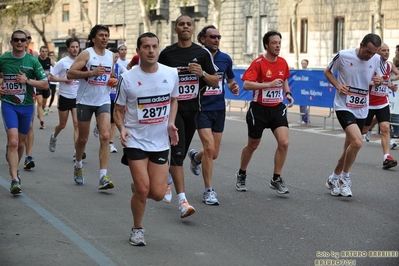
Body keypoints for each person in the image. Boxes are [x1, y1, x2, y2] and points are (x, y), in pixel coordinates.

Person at [114, 32, 179, 246]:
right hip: (135, 139)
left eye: (154, 46)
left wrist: (170, 123)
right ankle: (137, 229)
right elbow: (119, 109)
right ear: (138, 51)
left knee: (158, 194)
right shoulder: (128, 77)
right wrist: (122, 128)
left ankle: (139, 188)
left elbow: (173, 99)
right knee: (143, 190)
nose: (151, 51)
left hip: (160, 140)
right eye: (146, 47)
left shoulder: (170, 73)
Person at [158, 14, 218, 217]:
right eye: (181, 24)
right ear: (175, 29)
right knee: (176, 152)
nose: (185, 27)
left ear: (193, 29)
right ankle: (182, 201)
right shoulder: (167, 54)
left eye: (188, 24)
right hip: (173, 112)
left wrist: (201, 73)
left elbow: (215, 81)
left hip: (194, 110)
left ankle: (167, 180)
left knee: (181, 153)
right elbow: (156, 78)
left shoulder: (202, 54)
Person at [235, 30, 294, 194]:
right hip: (258, 110)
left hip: (277, 108)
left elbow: (284, 80)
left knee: (284, 142)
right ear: (267, 45)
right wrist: (268, 84)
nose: (277, 46)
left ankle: (276, 178)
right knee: (253, 145)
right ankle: (241, 173)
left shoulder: (282, 62)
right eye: (274, 43)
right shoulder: (258, 63)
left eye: (279, 43)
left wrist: (287, 93)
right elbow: (246, 85)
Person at [324, 33, 382, 197]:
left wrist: (378, 80)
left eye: (373, 53)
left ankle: (333, 178)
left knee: (349, 147)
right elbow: (327, 71)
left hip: (362, 107)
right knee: (357, 142)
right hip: (344, 105)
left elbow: (377, 77)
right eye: (368, 52)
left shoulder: (376, 59)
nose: (370, 56)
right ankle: (345, 178)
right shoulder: (343, 55)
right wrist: (337, 85)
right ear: (361, 44)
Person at [188, 25, 239, 205]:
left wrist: (233, 86)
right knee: (209, 148)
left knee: (213, 153)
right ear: (203, 39)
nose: (216, 40)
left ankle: (195, 158)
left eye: (218, 36)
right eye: (212, 37)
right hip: (201, 108)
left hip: (218, 108)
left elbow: (230, 79)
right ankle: (208, 191)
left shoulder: (225, 58)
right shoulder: (195, 57)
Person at [0, 30, 49, 194]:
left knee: (21, 143)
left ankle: (16, 169)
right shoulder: (3, 59)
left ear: (27, 42)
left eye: (23, 40)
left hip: (27, 105)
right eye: (16, 40)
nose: (20, 42)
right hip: (8, 104)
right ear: (12, 42)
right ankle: (14, 179)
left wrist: (27, 80)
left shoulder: (33, 62)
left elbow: (45, 84)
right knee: (13, 142)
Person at [67, 24, 115, 189]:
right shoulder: (87, 54)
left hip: (103, 100)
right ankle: (78, 165)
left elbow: (111, 76)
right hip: (85, 101)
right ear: (93, 38)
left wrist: (112, 81)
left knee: (105, 136)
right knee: (83, 138)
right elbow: (70, 73)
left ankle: (103, 176)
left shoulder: (111, 56)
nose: (104, 38)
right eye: (101, 35)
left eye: (106, 35)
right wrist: (90, 73)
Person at [361, 43, 399, 169]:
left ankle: (386, 157)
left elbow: (387, 79)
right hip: (369, 103)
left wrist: (390, 85)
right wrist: (376, 82)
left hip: (383, 102)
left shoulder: (388, 65)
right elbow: (363, 80)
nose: (386, 52)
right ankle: (352, 140)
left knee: (385, 128)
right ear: (377, 52)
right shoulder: (370, 65)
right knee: (364, 130)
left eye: (388, 50)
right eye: (383, 50)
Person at [48, 37, 81, 157]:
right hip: (65, 96)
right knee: (62, 125)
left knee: (77, 124)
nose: (75, 49)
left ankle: (76, 152)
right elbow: (51, 77)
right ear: (68, 48)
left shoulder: (82, 61)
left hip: (77, 97)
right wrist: (64, 79)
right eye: (72, 47)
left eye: (77, 47)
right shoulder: (63, 62)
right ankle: (54, 136)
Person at [22, 29, 38, 170]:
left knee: (30, 125)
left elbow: (38, 76)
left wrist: (29, 80)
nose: (24, 41)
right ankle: (12, 144)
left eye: (27, 38)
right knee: (17, 129)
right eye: (21, 38)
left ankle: (29, 156)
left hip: (29, 93)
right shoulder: (9, 56)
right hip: (12, 96)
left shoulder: (34, 55)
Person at [36, 46, 55, 128]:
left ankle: (40, 113)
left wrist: (51, 73)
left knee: (43, 103)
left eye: (45, 51)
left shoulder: (50, 60)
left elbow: (56, 69)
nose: (44, 53)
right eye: (42, 51)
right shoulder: (36, 60)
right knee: (39, 102)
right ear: (40, 52)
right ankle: (42, 121)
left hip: (46, 84)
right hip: (37, 83)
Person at [298, 59, 310, 124]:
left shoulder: (309, 71)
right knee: (301, 105)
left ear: (307, 64)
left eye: (305, 64)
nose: (303, 65)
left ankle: (306, 119)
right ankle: (303, 119)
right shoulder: (300, 71)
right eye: (302, 63)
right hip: (301, 90)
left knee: (305, 106)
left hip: (306, 91)